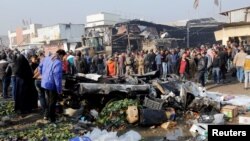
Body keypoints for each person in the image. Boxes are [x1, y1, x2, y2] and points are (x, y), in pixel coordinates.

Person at [39, 49, 65, 122]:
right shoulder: (58, 62)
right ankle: (52, 119)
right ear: (61, 55)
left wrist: (43, 75)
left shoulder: (46, 58)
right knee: (52, 102)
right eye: (63, 57)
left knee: (49, 101)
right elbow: (57, 77)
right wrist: (59, 90)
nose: (62, 58)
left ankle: (47, 116)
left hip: (45, 83)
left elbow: (39, 66)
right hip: (52, 84)